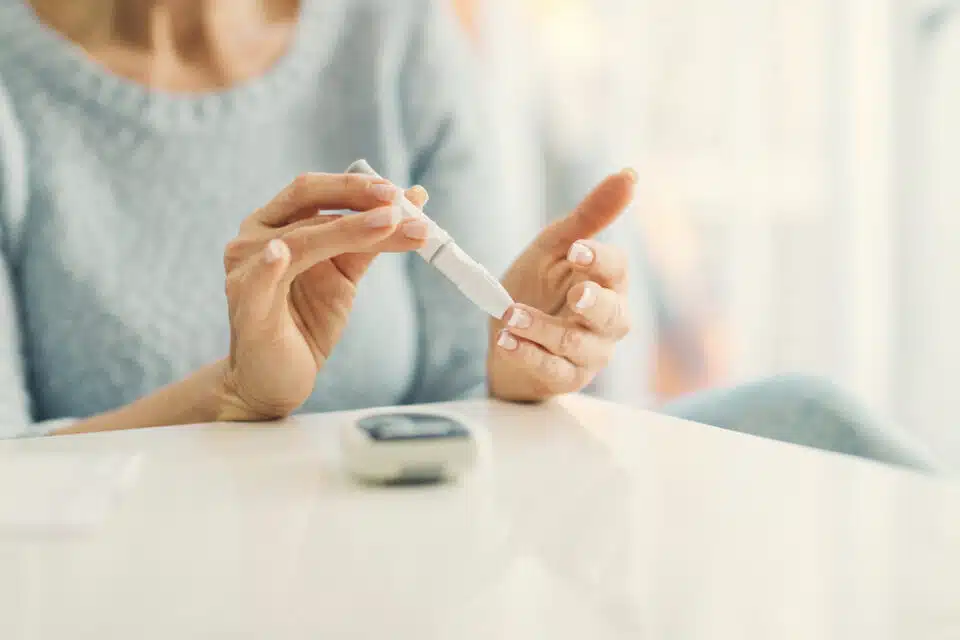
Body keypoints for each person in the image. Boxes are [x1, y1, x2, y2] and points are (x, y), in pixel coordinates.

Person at [0, 0, 943, 474]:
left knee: (817, 424)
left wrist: (525, 362)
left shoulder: (391, 31)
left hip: (420, 556)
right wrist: (233, 397)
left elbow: (472, 397)